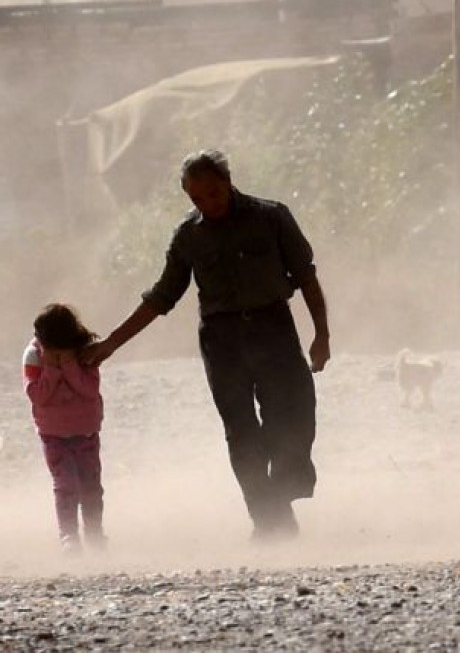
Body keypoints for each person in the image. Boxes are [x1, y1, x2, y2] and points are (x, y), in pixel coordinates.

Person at [84, 149, 331, 541]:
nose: (209, 203)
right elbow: (163, 296)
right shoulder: (189, 236)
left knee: (295, 417)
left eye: (214, 192)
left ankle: (281, 497)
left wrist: (322, 333)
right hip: (223, 340)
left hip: (274, 329)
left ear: (229, 182)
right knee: (241, 432)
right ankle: (267, 522)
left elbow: (305, 276)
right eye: (197, 198)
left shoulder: (271, 217)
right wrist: (113, 342)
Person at [23, 303, 106, 553]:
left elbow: (89, 390)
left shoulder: (84, 352)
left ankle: (95, 533)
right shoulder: (34, 354)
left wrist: (69, 364)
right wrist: (50, 368)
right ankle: (69, 537)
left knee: (91, 485)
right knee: (66, 484)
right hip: (53, 435)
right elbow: (38, 396)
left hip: (86, 431)